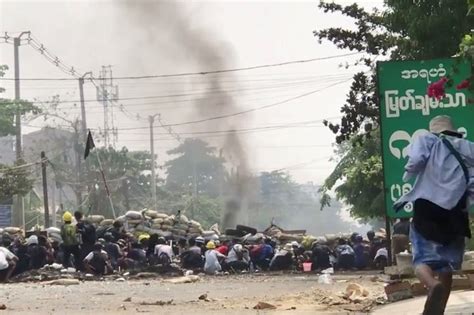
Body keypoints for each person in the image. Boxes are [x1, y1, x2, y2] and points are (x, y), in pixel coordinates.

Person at [394, 115, 472, 315]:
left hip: (427, 208)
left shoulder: (427, 140)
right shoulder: (467, 146)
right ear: (452, 131)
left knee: (421, 260)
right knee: (446, 266)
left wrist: (409, 172)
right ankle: (440, 310)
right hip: (455, 211)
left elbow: (415, 162)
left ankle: (431, 284)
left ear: (434, 130)